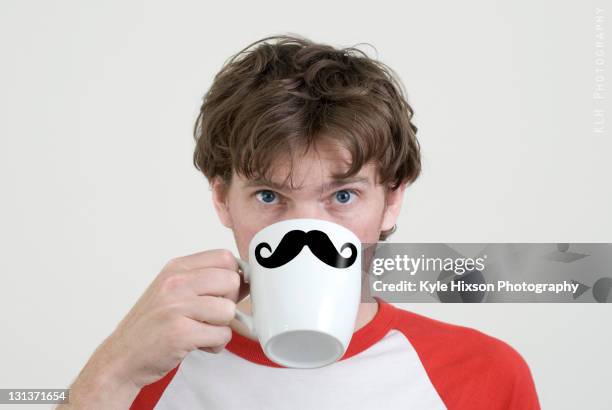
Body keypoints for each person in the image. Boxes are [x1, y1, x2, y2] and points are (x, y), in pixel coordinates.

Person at [59, 34, 540, 409]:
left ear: (391, 201)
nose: (306, 233)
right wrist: (112, 372)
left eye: (343, 195)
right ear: (223, 199)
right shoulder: (145, 369)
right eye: (269, 195)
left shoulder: (486, 374)